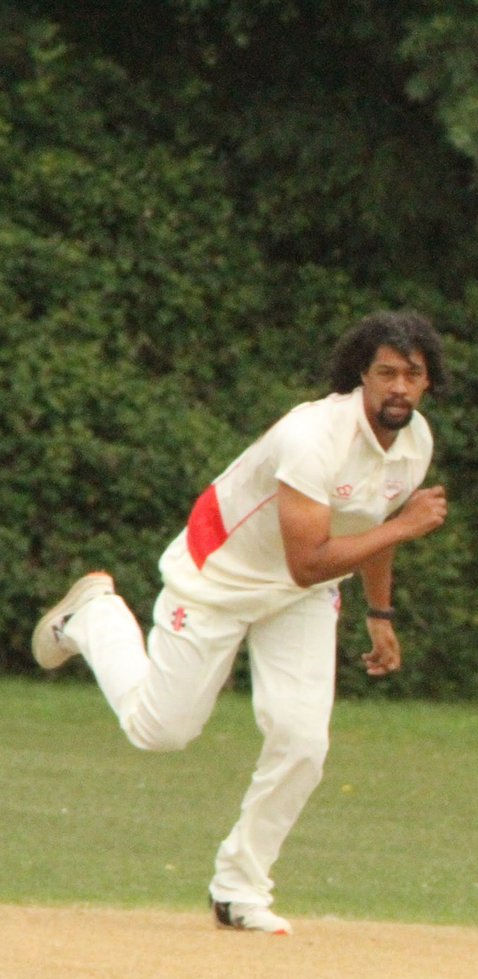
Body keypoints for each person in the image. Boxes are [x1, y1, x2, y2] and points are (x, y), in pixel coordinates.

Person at [32, 310, 450, 934]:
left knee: (303, 742)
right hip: (220, 576)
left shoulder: (415, 442)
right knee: (160, 732)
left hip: (300, 596)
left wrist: (380, 612)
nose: (398, 387)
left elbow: (370, 528)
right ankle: (95, 615)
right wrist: (406, 527)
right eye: (385, 372)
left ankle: (239, 888)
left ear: (428, 382)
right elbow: (311, 559)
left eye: (411, 375)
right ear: (361, 375)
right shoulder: (313, 436)